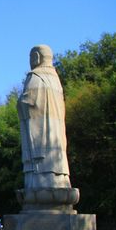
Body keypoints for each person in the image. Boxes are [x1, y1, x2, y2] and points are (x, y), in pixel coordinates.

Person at [17, 44, 71, 189]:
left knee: (38, 170)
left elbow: (28, 101)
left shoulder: (35, 76)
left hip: (40, 136)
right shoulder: (56, 80)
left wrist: (20, 101)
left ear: (37, 57)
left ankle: (39, 186)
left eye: (31, 57)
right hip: (56, 136)